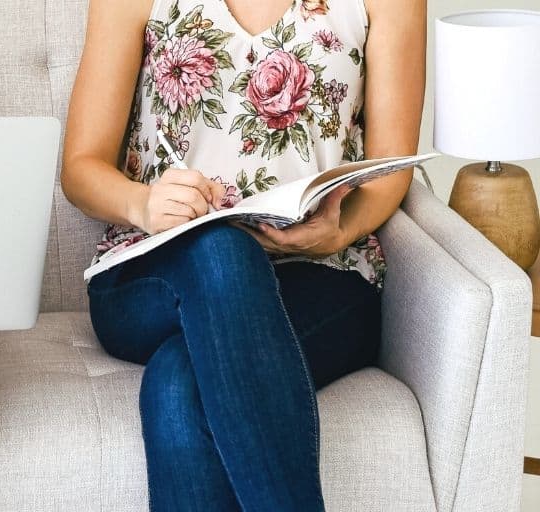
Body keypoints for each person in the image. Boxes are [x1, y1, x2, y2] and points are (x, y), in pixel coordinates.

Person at [62, 0, 425, 510]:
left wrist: (339, 232)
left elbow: (391, 169)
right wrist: (143, 204)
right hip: (154, 270)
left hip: (322, 274)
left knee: (176, 387)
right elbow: (81, 168)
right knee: (221, 249)